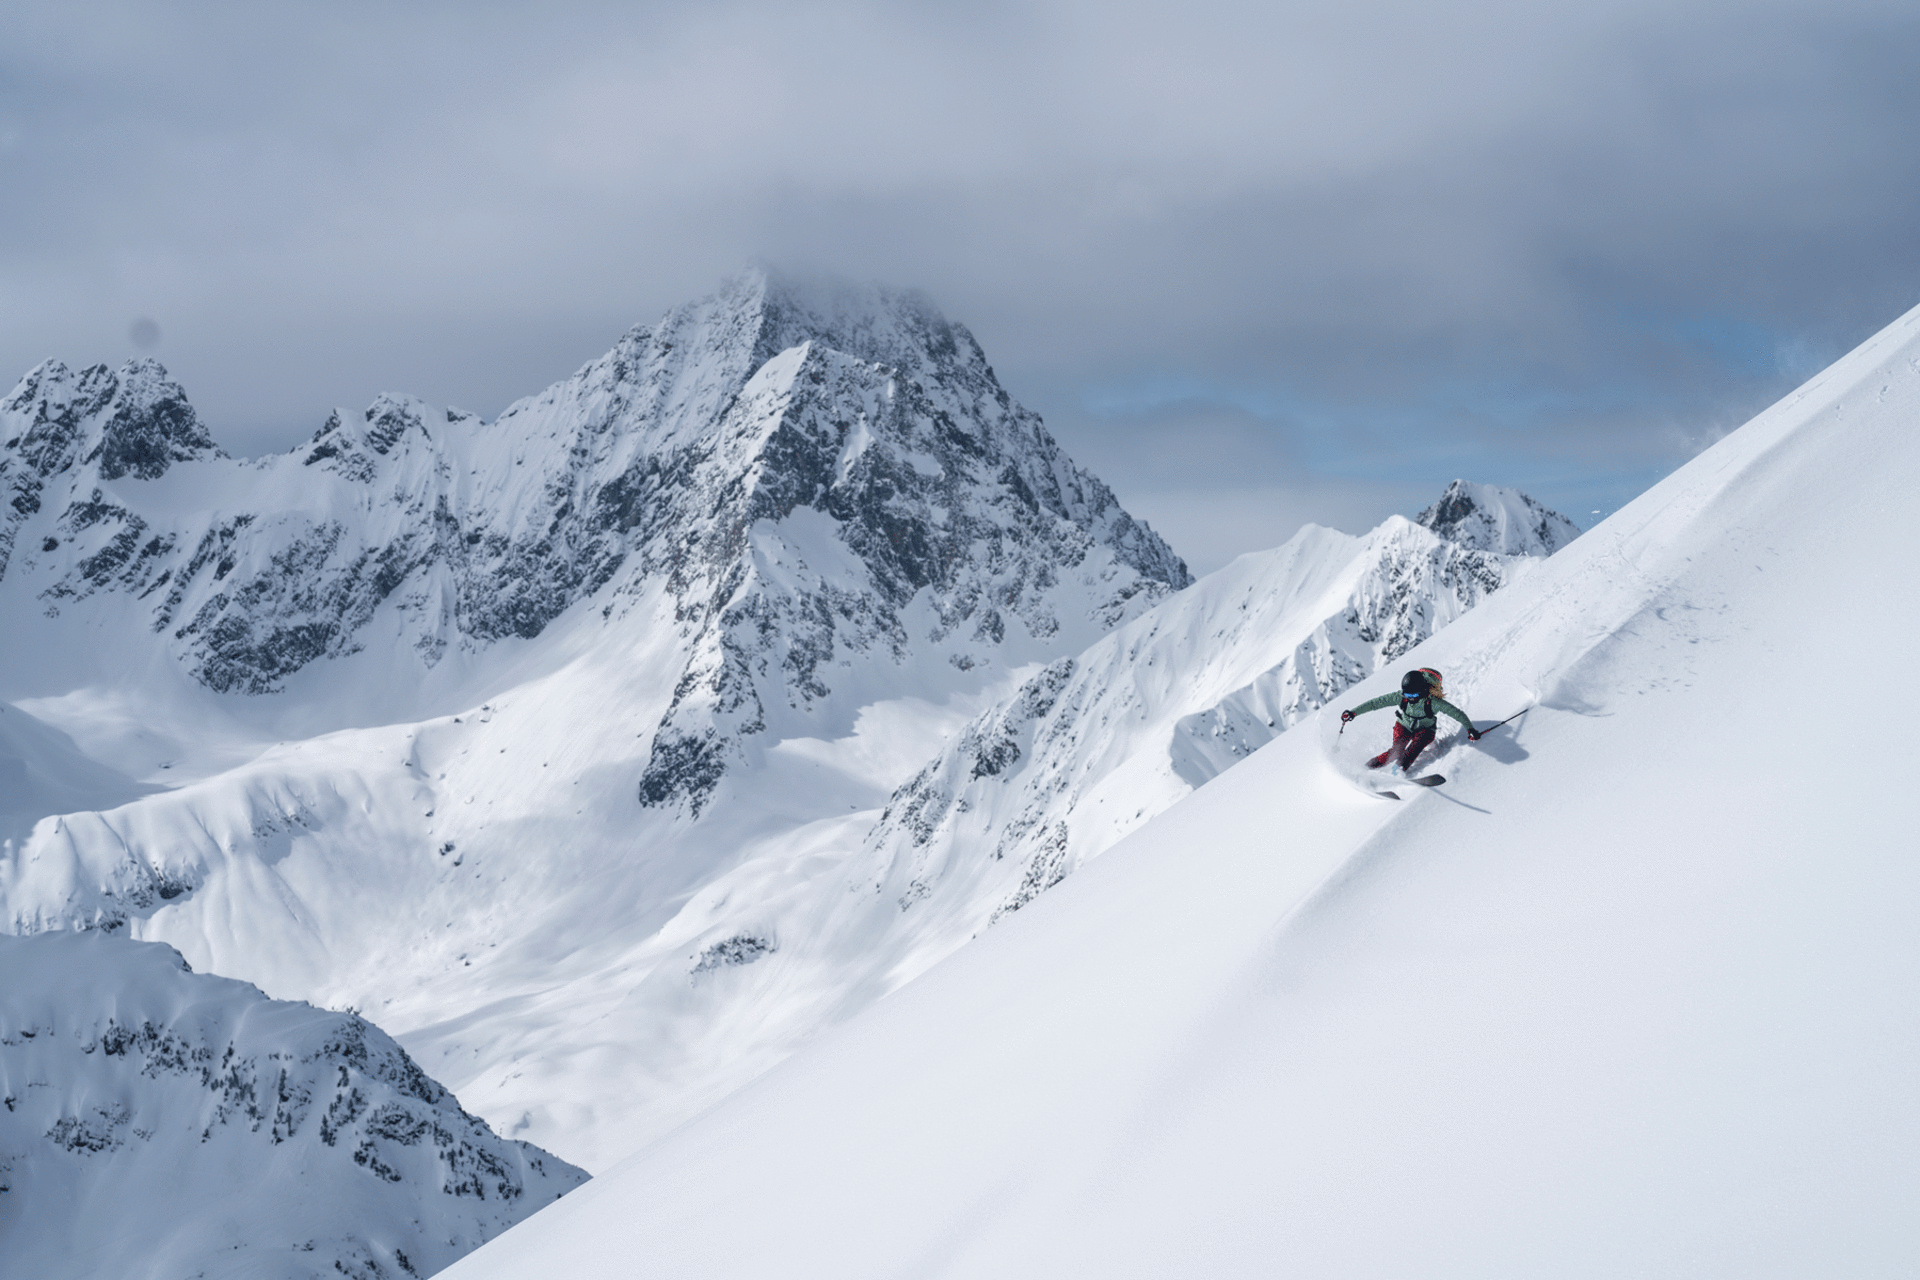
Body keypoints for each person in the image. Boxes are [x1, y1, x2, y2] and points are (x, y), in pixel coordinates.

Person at [1340, 667, 1480, 774]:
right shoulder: (1401, 696)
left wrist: (1470, 729)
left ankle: (1396, 772)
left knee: (1413, 749)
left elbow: (1458, 714)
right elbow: (1375, 703)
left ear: (1423, 691)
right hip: (1404, 726)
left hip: (1425, 730)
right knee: (1396, 751)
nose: (1410, 698)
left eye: (1413, 695)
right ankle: (1366, 768)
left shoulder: (1434, 702)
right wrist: (1353, 712)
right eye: (1407, 694)